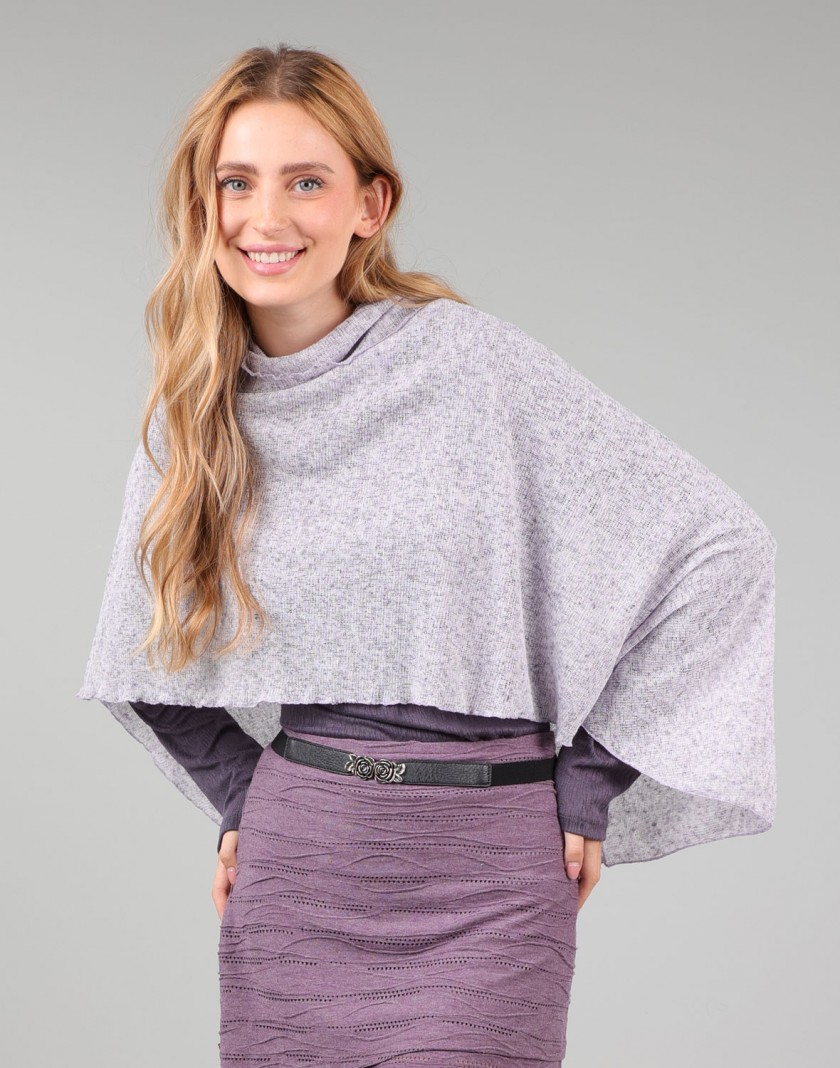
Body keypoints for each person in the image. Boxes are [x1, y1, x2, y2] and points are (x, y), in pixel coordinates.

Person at [77, 44, 777, 1067]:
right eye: (236, 182)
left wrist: (590, 783)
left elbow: (722, 548)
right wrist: (243, 797)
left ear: (371, 204)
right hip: (300, 873)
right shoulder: (194, 416)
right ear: (203, 203)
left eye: (305, 182)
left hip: (489, 878)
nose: (265, 217)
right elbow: (140, 653)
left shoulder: (468, 365)